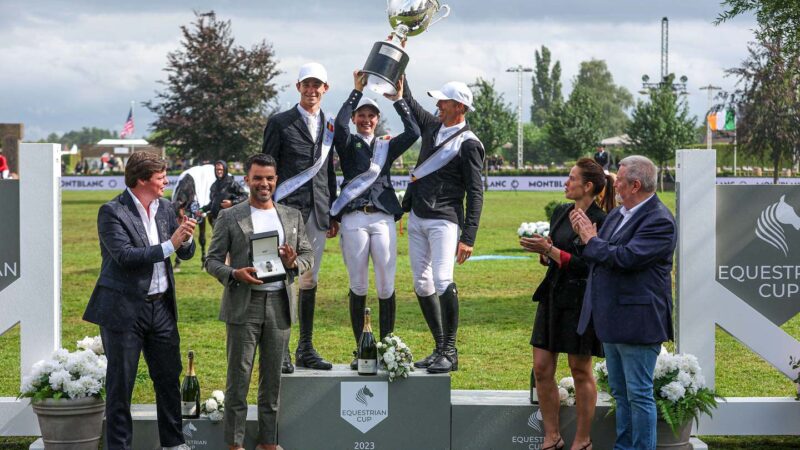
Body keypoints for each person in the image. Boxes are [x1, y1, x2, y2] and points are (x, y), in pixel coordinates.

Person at [82, 151, 196, 450]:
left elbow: (184, 253)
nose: (166, 181)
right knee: (121, 385)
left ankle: (174, 444)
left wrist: (187, 238)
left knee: (169, 380)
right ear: (142, 179)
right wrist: (171, 243)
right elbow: (125, 257)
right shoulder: (112, 212)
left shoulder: (167, 208)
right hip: (123, 311)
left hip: (161, 308)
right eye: (160, 177)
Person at [205, 153, 312, 450]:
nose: (263, 183)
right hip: (244, 304)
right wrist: (235, 274)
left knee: (272, 380)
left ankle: (268, 442)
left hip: (280, 304)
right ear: (247, 180)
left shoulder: (292, 215)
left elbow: (307, 256)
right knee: (238, 378)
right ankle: (235, 443)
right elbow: (211, 261)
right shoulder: (230, 216)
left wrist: (293, 263)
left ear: (276, 180)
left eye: (269, 178)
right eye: (257, 178)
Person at [571, 155, 676, 450]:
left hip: (639, 321)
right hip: (612, 319)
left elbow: (626, 258)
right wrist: (584, 238)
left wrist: (592, 240)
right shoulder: (618, 214)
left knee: (639, 394)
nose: (614, 182)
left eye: (619, 177)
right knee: (620, 392)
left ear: (635, 184)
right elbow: (600, 255)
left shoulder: (659, 220)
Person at [519, 158, 615, 450]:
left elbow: (590, 266)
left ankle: (583, 440)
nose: (566, 182)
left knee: (579, 369)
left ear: (588, 186)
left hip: (581, 301)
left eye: (571, 178)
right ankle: (552, 436)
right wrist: (545, 252)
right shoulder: (561, 212)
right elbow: (557, 252)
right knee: (541, 368)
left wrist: (552, 251)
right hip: (552, 296)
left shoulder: (603, 219)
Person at [331, 71, 420, 369]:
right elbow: (340, 124)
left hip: (382, 218)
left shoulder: (386, 145)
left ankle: (388, 346)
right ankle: (363, 349)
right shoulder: (346, 143)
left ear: (377, 119)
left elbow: (413, 132)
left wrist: (398, 100)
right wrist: (355, 92)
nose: (366, 119)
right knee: (358, 284)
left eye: (371, 115)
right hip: (354, 217)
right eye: (362, 115)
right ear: (356, 118)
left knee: (385, 284)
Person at [401, 77, 485, 374]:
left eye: (443, 101)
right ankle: (439, 347)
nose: (437, 105)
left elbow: (476, 192)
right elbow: (408, 101)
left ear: (459, 107)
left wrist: (469, 236)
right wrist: (400, 50)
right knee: (421, 284)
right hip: (418, 217)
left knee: (442, 280)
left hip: (445, 219)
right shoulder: (432, 126)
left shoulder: (470, 144)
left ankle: (450, 350)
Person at [262, 62, 338, 373]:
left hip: (318, 211)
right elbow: (268, 166)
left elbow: (329, 171)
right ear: (298, 87)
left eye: (316, 85)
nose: (311, 90)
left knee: (309, 279)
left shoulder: (329, 126)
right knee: (282, 280)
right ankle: (280, 349)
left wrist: (333, 210)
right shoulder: (280, 122)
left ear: (325, 89)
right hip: (286, 211)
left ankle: (305, 346)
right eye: (306, 84)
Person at [204, 160, 248, 225]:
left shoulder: (232, 183)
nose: (219, 171)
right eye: (217, 170)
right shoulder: (214, 185)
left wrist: (232, 203)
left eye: (221, 169)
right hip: (216, 220)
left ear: (225, 170)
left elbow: (245, 196)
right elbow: (212, 202)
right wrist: (202, 209)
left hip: (229, 220)